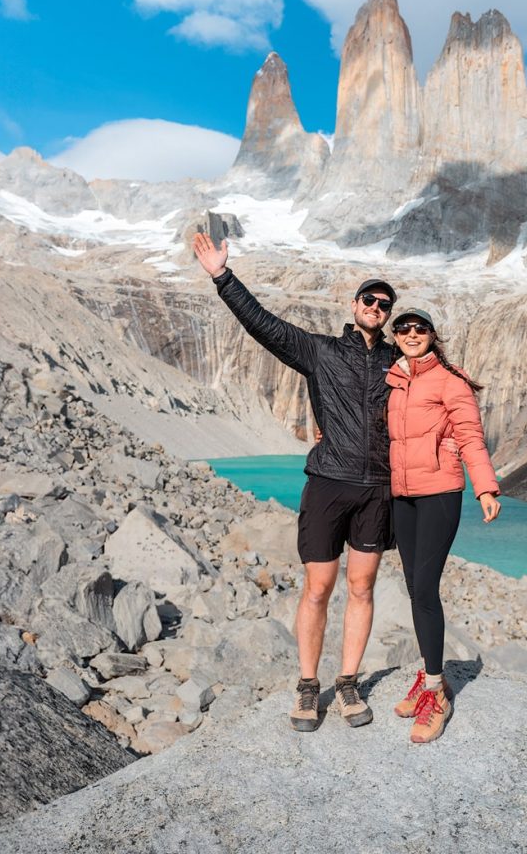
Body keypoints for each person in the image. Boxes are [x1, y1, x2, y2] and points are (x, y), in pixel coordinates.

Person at [192, 231, 397, 733]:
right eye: (369, 300)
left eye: (384, 304)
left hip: (378, 489)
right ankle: (309, 687)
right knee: (318, 587)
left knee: (363, 586)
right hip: (329, 481)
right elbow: (264, 326)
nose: (376, 307)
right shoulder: (321, 352)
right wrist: (223, 277)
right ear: (355, 306)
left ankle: (347, 683)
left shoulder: (399, 363)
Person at [386, 307, 500, 744]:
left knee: (427, 589)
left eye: (420, 329)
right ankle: (431, 673)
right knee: (415, 587)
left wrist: (485, 488)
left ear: (432, 335)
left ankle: (436, 691)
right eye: (404, 328)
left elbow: (470, 435)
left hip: (439, 494)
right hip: (404, 496)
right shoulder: (394, 379)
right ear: (396, 335)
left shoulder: (451, 381)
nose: (411, 334)